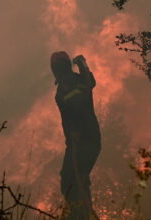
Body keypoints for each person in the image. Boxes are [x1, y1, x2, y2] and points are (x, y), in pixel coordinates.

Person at [51, 51, 101, 220]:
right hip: (86, 140)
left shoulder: (69, 82)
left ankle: (79, 215)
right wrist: (83, 65)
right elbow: (90, 83)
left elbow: (78, 101)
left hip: (82, 140)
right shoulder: (77, 80)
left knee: (70, 181)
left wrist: (77, 131)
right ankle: (80, 213)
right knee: (75, 179)